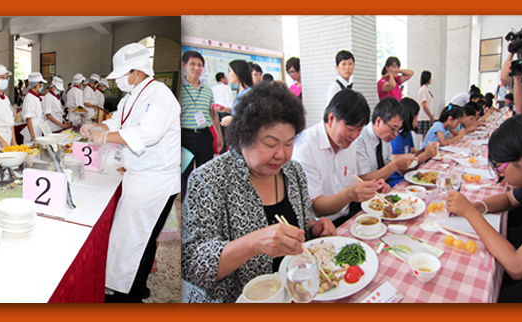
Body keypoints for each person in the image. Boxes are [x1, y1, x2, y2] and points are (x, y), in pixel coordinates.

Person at [181, 82, 335, 303]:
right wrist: (252, 243)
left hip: (292, 291)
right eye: (270, 143)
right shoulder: (209, 179)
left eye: (289, 143)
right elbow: (192, 263)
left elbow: (303, 222)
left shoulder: (293, 171)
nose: (281, 155)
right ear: (244, 136)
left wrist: (313, 227)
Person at [79, 43, 180, 303]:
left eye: (123, 74)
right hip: (139, 176)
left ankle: (130, 296)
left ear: (136, 71)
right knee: (135, 238)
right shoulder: (133, 95)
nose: (119, 81)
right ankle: (134, 288)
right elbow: (117, 119)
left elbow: (148, 133)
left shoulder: (159, 95)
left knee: (136, 240)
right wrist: (97, 126)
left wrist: (106, 137)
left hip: (154, 179)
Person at [446, 114, 522, 303]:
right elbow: (509, 199)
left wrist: (470, 212)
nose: (500, 177)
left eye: (501, 168)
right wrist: (478, 206)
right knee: (481, 267)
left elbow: (517, 266)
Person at [292, 90, 387, 227]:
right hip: (321, 227)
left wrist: (370, 188)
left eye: (359, 129)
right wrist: (349, 194)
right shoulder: (304, 147)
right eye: (350, 128)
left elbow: (354, 181)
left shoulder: (350, 144)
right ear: (331, 119)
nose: (355, 136)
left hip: (348, 217)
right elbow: (316, 208)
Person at [181, 50, 223, 202]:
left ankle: (204, 204)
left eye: (200, 65)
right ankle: (187, 205)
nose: (196, 68)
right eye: (192, 64)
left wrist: (218, 135)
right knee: (184, 174)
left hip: (205, 136)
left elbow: (213, 114)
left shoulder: (207, 90)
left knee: (205, 172)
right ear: (184, 65)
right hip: (184, 138)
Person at [353, 97, 418, 182]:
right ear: (379, 121)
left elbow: (385, 171)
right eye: (393, 128)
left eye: (399, 129)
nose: (396, 134)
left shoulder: (385, 139)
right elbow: (363, 179)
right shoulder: (359, 139)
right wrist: (395, 164)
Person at [388, 97, 439, 187]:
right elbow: (401, 169)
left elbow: (413, 153)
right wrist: (425, 155)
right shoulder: (396, 137)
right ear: (408, 116)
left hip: (408, 176)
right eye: (415, 117)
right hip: (397, 181)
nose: (417, 120)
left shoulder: (407, 133)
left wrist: (424, 150)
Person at [217, 59, 254, 128]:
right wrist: (226, 110)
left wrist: (232, 119)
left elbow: (251, 116)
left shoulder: (249, 93)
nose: (228, 74)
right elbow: (240, 111)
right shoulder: (240, 92)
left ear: (238, 72)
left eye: (230, 71)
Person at [20, 72, 47, 143]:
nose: (41, 86)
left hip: (37, 131)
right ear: (38, 84)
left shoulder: (35, 97)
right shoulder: (29, 98)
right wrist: (32, 137)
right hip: (32, 134)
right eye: (41, 84)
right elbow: (28, 119)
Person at [416, 71, 435, 137]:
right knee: (424, 137)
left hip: (427, 117)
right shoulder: (422, 90)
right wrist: (431, 116)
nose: (431, 79)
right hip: (424, 117)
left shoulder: (427, 89)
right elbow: (424, 105)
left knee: (427, 136)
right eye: (430, 78)